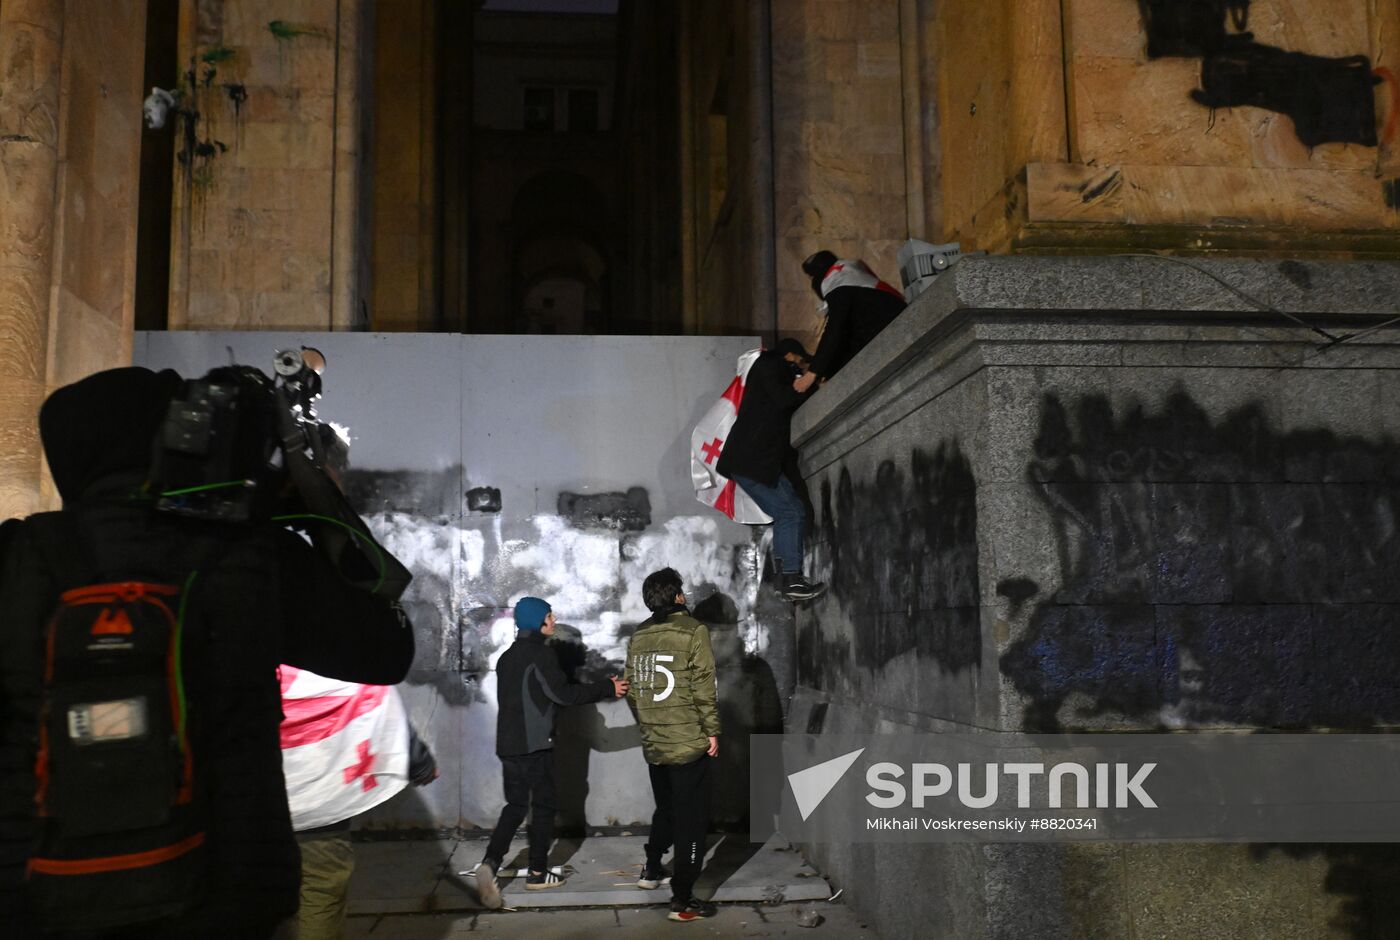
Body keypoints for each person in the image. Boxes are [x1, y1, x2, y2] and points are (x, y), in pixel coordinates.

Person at [0, 367, 415, 939]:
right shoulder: (248, 556)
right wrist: (311, 494)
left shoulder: (17, 557)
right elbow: (386, 647)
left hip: (36, 891)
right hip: (226, 889)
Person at [475, 596, 627, 908]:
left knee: (515, 806)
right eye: (549, 616)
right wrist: (607, 688)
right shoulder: (541, 657)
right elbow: (564, 695)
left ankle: (490, 863)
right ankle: (537, 873)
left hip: (508, 745)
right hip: (535, 746)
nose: (554, 620)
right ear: (537, 621)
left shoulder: (506, 658)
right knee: (543, 806)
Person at [280, 668, 439, 940]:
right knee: (320, 889)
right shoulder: (334, 652)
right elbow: (378, 696)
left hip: (247, 795)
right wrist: (419, 762)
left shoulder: (235, 647)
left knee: (247, 894)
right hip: (319, 797)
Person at [625, 568, 721, 923]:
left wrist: (650, 723)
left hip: (655, 742)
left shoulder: (640, 635)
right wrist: (712, 731)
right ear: (678, 596)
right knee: (691, 822)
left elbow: (633, 691)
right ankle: (682, 898)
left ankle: (651, 868)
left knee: (665, 808)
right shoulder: (694, 630)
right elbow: (704, 687)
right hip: (688, 743)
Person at [715, 340, 826, 601]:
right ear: (789, 355)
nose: (801, 371)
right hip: (754, 460)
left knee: (787, 513)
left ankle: (785, 581)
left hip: (754, 461)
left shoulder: (768, 367)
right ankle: (791, 580)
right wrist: (812, 388)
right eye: (799, 363)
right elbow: (784, 398)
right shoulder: (771, 364)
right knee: (791, 512)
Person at [796, 249, 906, 391]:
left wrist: (811, 374)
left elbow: (836, 330)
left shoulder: (839, 286)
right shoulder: (855, 281)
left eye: (812, 278)